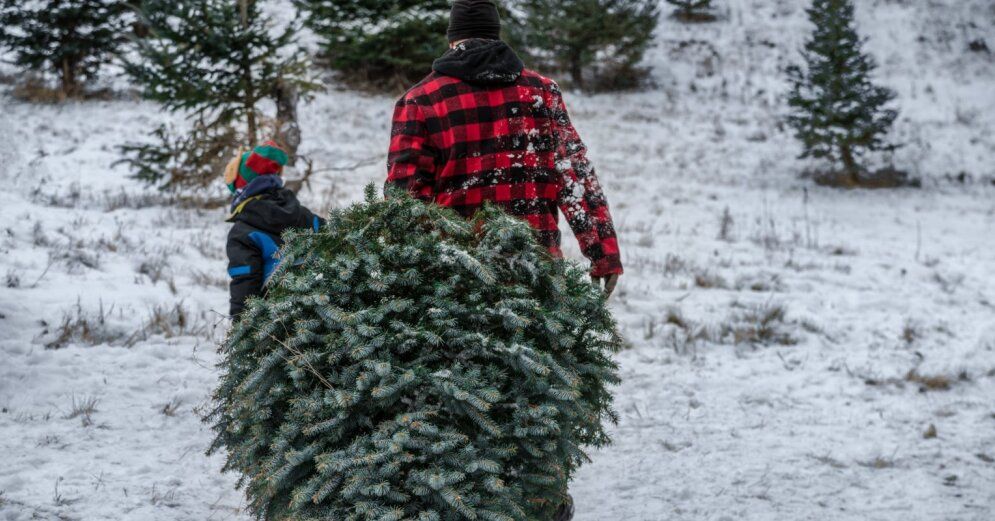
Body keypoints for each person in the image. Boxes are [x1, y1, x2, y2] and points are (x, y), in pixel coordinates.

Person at [386, 0, 623, 301]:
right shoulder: (542, 92)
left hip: (457, 280)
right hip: (537, 271)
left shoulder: (420, 101)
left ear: (452, 39)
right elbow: (575, 177)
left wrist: (405, 277)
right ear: (496, 35)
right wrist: (604, 254)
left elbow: (404, 198)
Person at [224, 141, 322, 317]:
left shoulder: (242, 232)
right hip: (316, 304)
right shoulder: (300, 213)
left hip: (275, 318)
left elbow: (246, 280)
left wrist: (240, 323)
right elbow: (332, 235)